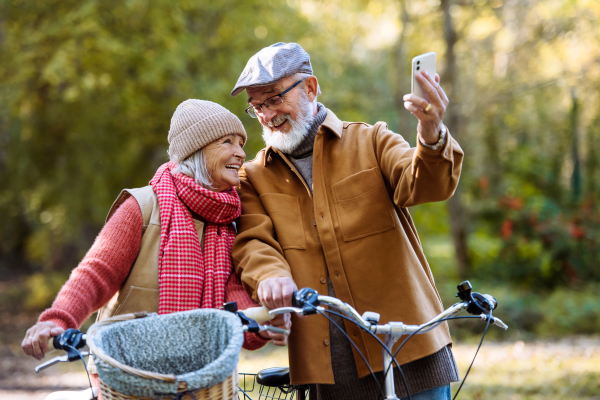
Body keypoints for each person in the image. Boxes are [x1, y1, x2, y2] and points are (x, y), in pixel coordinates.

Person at [230, 42, 464, 400]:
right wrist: (269, 276)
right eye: (257, 106)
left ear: (310, 88)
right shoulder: (253, 177)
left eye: (275, 98)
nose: (266, 114)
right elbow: (253, 242)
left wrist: (431, 132)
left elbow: (426, 184)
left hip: (410, 349)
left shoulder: (372, 140)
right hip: (328, 369)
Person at [21, 100, 291, 398]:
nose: (240, 153)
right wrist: (57, 320)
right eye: (227, 142)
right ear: (196, 149)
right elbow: (96, 273)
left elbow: (233, 302)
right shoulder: (143, 206)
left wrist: (261, 324)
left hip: (201, 382)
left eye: (241, 143)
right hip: (128, 377)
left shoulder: (231, 222)